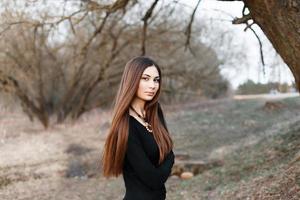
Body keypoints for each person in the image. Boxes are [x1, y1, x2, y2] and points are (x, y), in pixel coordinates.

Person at [101, 56, 175, 200]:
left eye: (156, 80)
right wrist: (170, 158)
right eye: (145, 78)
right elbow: (154, 179)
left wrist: (169, 157)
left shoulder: (154, 111)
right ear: (132, 80)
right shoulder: (126, 126)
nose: (153, 85)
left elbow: (168, 150)